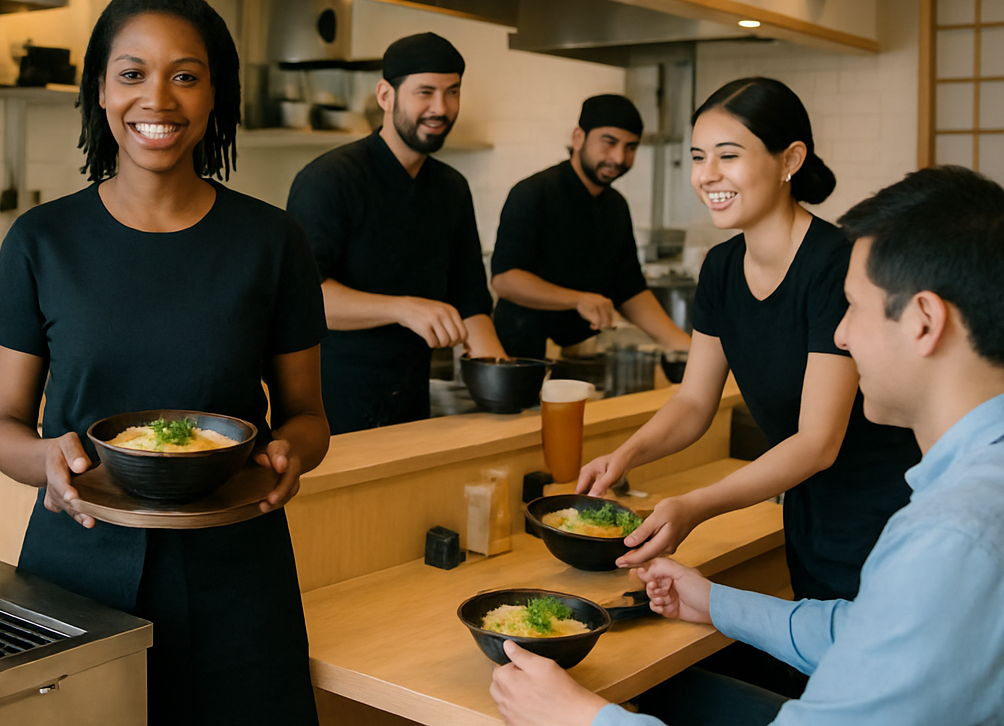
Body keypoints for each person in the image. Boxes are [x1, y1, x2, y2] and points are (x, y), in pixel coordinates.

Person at [488, 165, 1004, 726]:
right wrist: (714, 603)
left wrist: (579, 719)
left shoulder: (950, 535)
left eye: (853, 307)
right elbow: (863, 633)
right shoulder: (969, 491)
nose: (841, 334)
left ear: (925, 321)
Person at [0, 0, 330, 726]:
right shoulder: (41, 242)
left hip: (237, 572)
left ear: (214, 95)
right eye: (132, 73)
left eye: (186, 75)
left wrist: (289, 454)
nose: (158, 100)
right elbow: (2, 424)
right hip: (76, 570)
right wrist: (46, 462)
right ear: (100, 91)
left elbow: (307, 417)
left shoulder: (272, 243)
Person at [578, 79, 919, 600]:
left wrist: (697, 504)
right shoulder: (720, 268)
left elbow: (817, 442)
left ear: (790, 160)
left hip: (885, 509)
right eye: (698, 157)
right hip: (809, 510)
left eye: (728, 155)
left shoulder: (835, 263)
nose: (707, 175)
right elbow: (694, 402)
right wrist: (626, 455)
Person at [285, 32, 504, 433]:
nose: (441, 108)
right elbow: (304, 298)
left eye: (452, 92)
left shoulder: (451, 188)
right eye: (425, 92)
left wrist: (504, 384)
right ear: (386, 95)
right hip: (331, 410)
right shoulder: (329, 179)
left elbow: (471, 299)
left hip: (411, 402)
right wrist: (405, 309)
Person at [490, 94, 691, 360]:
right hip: (522, 353)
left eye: (631, 147)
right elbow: (505, 280)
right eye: (609, 143)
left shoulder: (616, 206)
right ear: (578, 138)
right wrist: (578, 299)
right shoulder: (533, 193)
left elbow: (629, 289)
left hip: (583, 355)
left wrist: (683, 345)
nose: (619, 157)